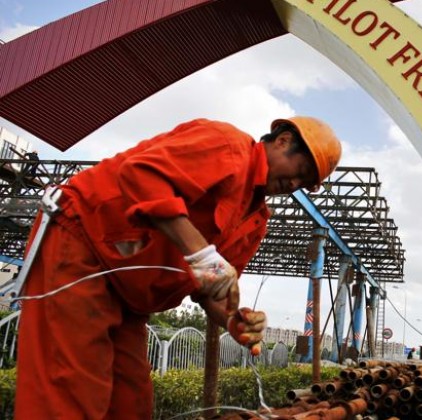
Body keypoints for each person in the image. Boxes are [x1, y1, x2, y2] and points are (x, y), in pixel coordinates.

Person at [14, 117, 342, 419]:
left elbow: (210, 288)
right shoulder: (228, 146)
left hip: (129, 296)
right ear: (283, 141)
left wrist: (235, 320)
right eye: (300, 170)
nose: (295, 183)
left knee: (131, 402)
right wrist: (201, 252)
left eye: (306, 183)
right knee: (68, 392)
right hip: (81, 246)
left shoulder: (256, 221)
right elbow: (140, 173)